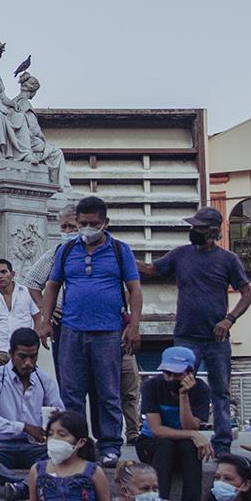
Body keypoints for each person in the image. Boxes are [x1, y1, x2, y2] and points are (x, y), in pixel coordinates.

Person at [37, 195, 144, 467]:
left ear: (105, 223)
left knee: (108, 392)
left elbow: (134, 289)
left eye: (93, 224)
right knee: (71, 393)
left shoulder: (120, 251)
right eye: (82, 223)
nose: (87, 229)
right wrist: (45, 321)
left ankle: (109, 446)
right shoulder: (66, 250)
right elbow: (51, 286)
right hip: (71, 332)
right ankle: (76, 445)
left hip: (108, 333)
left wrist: (134, 326)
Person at [139, 204, 251, 454]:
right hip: (186, 334)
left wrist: (229, 319)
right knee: (179, 387)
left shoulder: (228, 259)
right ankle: (183, 438)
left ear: (212, 231)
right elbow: (151, 270)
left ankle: (222, 445)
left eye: (198, 228)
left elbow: (246, 293)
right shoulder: (181, 254)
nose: (193, 231)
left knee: (220, 390)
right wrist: (122, 256)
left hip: (216, 337)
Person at [0, 328, 62, 500]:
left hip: (35, 448)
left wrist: (54, 423)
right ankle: (25, 484)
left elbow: (61, 415)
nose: (28, 363)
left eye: (33, 357)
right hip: (1, 447)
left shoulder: (44, 380)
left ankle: (21, 487)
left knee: (72, 450)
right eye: (22, 357)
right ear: (11, 354)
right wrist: (24, 428)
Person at [138, 345, 213, 501]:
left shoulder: (201, 389)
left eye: (177, 374)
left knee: (190, 446)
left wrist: (184, 396)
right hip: (152, 444)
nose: (171, 378)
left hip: (182, 446)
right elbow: (156, 429)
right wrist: (194, 434)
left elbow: (190, 426)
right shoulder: (151, 386)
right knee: (166, 444)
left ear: (190, 373)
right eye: (167, 373)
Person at [0, 257, 37, 370]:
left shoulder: (26, 293)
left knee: (25, 386)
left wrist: (34, 345)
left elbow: (38, 319)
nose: (0, 276)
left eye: (4, 272)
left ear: (12, 274)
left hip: (23, 351)